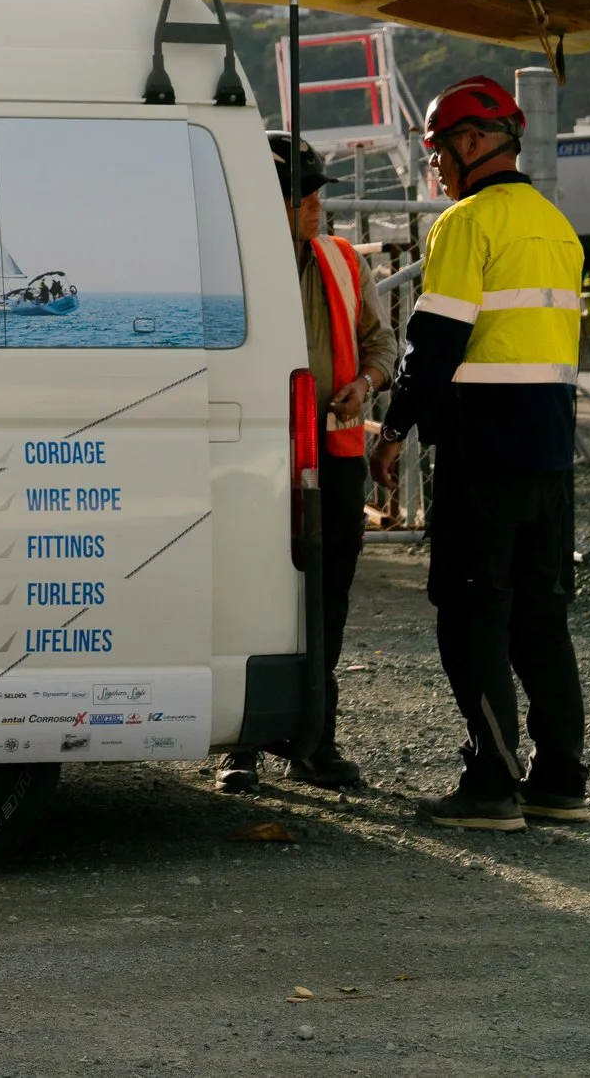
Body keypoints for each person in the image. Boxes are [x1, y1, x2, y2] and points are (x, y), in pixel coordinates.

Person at [370, 76, 588, 832]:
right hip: (550, 448)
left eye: (437, 152)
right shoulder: (557, 226)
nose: (436, 168)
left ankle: (492, 782)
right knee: (540, 616)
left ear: (471, 143)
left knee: (471, 611)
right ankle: (559, 779)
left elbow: (434, 346)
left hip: (484, 448)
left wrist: (392, 430)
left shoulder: (466, 223)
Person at [217, 134, 395, 794]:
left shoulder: (342, 261)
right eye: (304, 195)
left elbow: (380, 343)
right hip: (255, 457)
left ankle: (314, 739)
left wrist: (366, 383)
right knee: (250, 591)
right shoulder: (229, 267)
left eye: (319, 193)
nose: (318, 205)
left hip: (334, 455)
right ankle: (241, 743)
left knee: (328, 599)